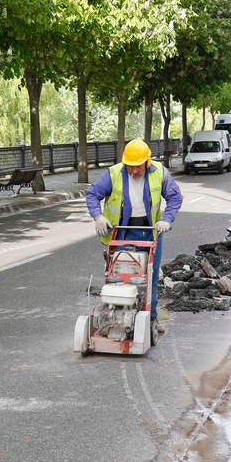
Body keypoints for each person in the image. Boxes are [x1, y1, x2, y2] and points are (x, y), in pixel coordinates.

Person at [86, 139, 183, 332]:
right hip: (122, 232)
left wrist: (167, 220)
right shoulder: (114, 173)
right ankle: (114, 318)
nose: (134, 171)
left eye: (137, 167)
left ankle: (151, 320)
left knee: (150, 277)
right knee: (118, 276)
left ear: (146, 163)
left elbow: (175, 196)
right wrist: (98, 216)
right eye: (130, 167)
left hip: (150, 233)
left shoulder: (159, 172)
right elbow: (92, 194)